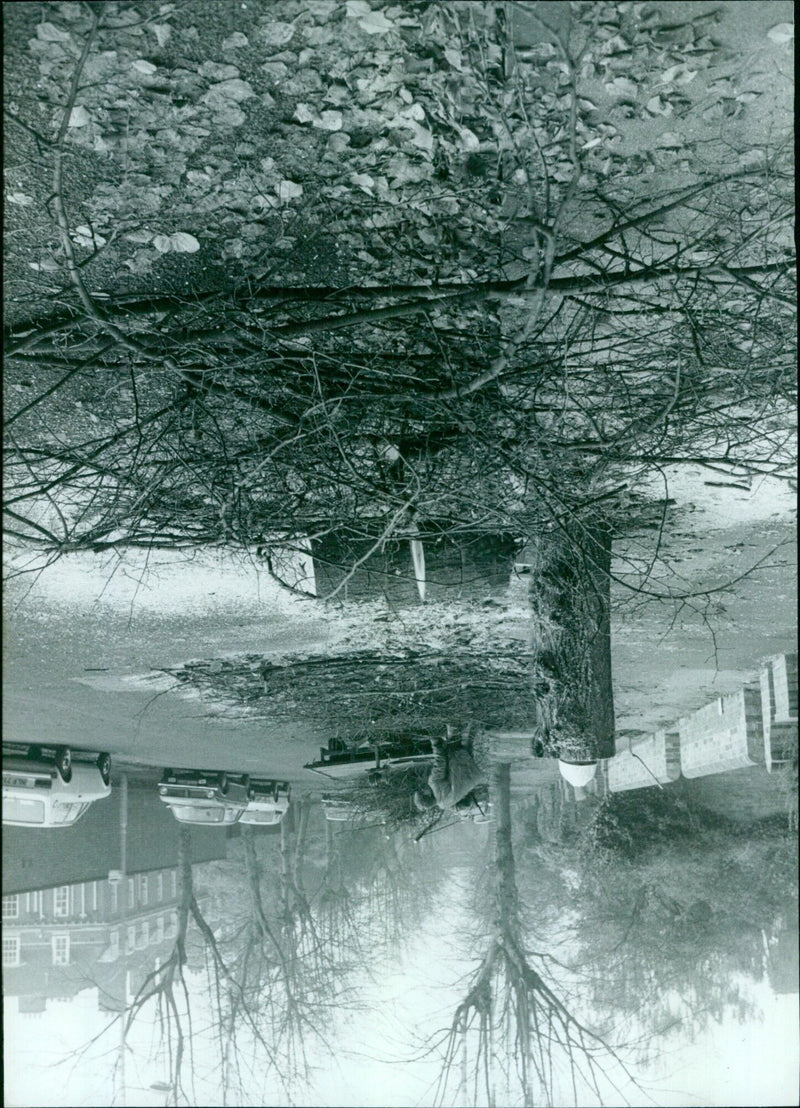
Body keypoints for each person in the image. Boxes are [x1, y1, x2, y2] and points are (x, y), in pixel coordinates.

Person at [414, 725, 486, 812]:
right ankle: (455, 720)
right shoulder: (434, 783)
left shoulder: (443, 805)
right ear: (428, 796)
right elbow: (440, 761)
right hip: (461, 766)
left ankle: (476, 722)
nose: (422, 788)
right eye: (422, 792)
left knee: (467, 745)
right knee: (453, 742)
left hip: (471, 776)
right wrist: (435, 742)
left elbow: (464, 804)